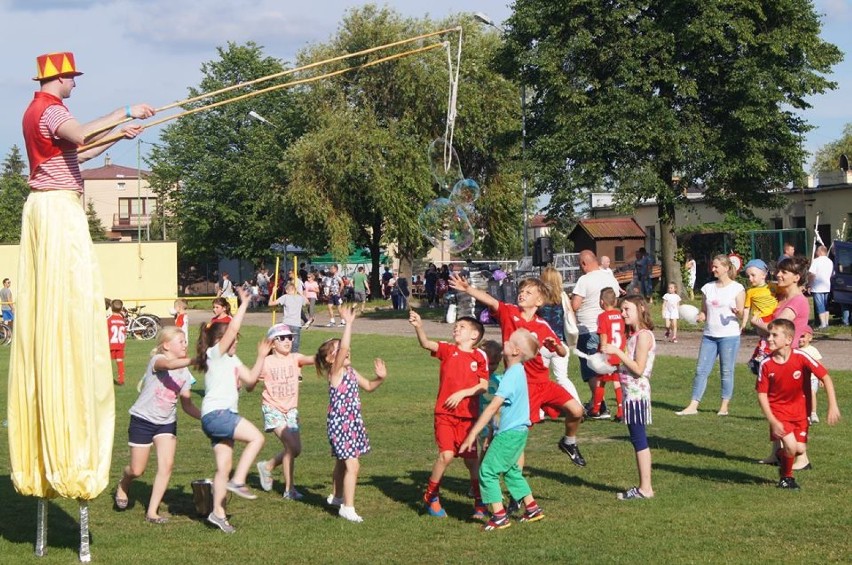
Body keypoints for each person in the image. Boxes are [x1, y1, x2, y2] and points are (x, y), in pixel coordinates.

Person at [9, 51, 154, 508]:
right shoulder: (50, 110)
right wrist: (124, 111)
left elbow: (80, 149)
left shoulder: (43, 112)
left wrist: (118, 133)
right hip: (56, 208)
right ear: (59, 78)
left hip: (50, 204)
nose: (75, 83)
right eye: (71, 77)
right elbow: (78, 132)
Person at [449, 274, 587, 466]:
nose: (522, 294)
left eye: (528, 292)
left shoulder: (542, 325)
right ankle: (506, 487)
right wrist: (468, 289)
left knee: (577, 410)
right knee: (515, 436)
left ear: (539, 301)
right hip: (522, 386)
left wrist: (556, 347)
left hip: (543, 382)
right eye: (521, 291)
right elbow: (490, 300)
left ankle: (568, 442)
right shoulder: (509, 312)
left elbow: (563, 352)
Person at [195, 287, 266, 533]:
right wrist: (243, 303)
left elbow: (250, 382)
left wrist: (261, 356)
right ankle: (238, 481)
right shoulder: (214, 354)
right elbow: (233, 329)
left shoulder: (233, 361)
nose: (236, 341)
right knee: (257, 438)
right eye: (233, 339)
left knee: (223, 467)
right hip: (218, 414)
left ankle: (218, 514)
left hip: (216, 418)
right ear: (220, 341)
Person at [459, 328, 545, 531]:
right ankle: (532, 508)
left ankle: (499, 516)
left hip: (510, 433)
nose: (504, 341)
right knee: (512, 471)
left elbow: (492, 407)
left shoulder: (510, 376)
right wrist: (491, 433)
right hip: (518, 432)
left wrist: (473, 433)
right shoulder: (517, 371)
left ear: (515, 351)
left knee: (487, 470)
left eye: (509, 341)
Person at [114, 327, 201, 523]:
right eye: (181, 341)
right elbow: (168, 365)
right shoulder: (157, 361)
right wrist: (196, 360)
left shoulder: (186, 374)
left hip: (166, 423)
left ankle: (152, 512)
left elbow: (187, 405)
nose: (185, 344)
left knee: (167, 466)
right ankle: (124, 482)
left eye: (186, 341)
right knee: (137, 470)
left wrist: (207, 417)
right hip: (142, 420)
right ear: (166, 345)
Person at [409, 310, 488, 520]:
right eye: (456, 326)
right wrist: (418, 326)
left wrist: (463, 393)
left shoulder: (479, 356)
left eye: (462, 327)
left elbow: (483, 385)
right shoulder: (448, 349)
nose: (456, 328)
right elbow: (426, 343)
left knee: (471, 462)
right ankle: (431, 496)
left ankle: (480, 502)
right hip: (444, 414)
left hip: (468, 417)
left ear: (474, 335)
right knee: (446, 455)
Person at [315, 306, 388, 522]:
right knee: (353, 465)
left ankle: (337, 497)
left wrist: (380, 378)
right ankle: (348, 507)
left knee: (341, 462)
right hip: (341, 424)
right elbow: (345, 345)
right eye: (337, 351)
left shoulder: (350, 371)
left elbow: (368, 386)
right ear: (330, 360)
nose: (346, 352)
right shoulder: (335, 372)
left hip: (353, 422)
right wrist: (348, 323)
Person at [756, 319, 840, 490]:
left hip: (801, 413)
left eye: (774, 335)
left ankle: (782, 455)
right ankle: (786, 478)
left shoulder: (801, 357)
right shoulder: (766, 364)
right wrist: (772, 420)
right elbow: (762, 394)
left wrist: (833, 405)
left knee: (799, 449)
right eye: (768, 335)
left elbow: (826, 377)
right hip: (779, 413)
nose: (769, 339)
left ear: (788, 340)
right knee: (792, 446)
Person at [751, 256, 814, 468]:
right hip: (777, 360)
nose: (778, 275)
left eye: (784, 272)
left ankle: (801, 457)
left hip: (790, 361)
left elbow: (777, 328)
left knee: (790, 409)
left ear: (796, 277)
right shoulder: (782, 298)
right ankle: (776, 452)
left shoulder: (797, 300)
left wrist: (757, 323)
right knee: (775, 406)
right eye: (778, 271)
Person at [602, 295, 656, 500]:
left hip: (637, 394)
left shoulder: (643, 336)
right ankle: (644, 487)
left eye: (626, 309)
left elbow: (639, 369)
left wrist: (617, 352)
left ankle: (645, 488)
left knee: (639, 439)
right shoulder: (635, 335)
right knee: (637, 438)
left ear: (640, 308)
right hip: (630, 394)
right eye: (621, 310)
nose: (622, 314)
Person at [676, 254, 745, 417]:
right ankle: (693, 405)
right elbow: (704, 312)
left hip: (729, 336)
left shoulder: (737, 288)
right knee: (701, 370)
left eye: (716, 266)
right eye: (712, 266)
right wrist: (700, 316)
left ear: (726, 268)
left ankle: (724, 406)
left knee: (726, 371)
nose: (713, 269)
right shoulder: (708, 288)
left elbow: (742, 314)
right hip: (709, 335)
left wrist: (738, 312)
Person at [255, 324, 316, 500]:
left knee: (295, 450)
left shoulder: (295, 358)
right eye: (282, 338)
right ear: (272, 343)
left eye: (290, 337)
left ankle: (267, 466)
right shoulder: (266, 362)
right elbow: (251, 379)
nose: (288, 341)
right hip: (273, 408)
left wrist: (331, 353)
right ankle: (290, 490)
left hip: (291, 410)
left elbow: (313, 359)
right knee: (292, 447)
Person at [572, 250, 622, 409]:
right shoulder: (610, 277)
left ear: (584, 264)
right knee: (607, 371)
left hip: (589, 329)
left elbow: (575, 305)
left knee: (591, 369)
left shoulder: (584, 280)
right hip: (609, 331)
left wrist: (568, 299)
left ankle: (599, 405)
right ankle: (601, 403)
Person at [537, 267, 582, 412]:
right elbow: (570, 317)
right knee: (562, 378)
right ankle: (577, 406)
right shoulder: (562, 296)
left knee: (539, 378)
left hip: (541, 343)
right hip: (559, 342)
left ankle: (539, 410)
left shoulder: (539, 297)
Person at [588, 288, 625, 420]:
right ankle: (621, 409)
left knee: (600, 381)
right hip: (619, 352)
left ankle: (597, 409)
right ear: (615, 301)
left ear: (601, 302)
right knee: (617, 381)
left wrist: (603, 351)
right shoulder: (621, 315)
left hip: (608, 353)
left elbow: (603, 334)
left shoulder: (602, 317)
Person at [741, 258, 778, 374]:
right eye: (748, 276)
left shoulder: (772, 287)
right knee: (765, 338)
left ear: (763, 275)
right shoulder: (750, 292)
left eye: (753, 275)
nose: (750, 279)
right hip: (761, 318)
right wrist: (743, 325)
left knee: (776, 338)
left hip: (775, 316)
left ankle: (768, 357)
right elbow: (747, 308)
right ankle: (759, 358)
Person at [269, 283, 306, 354]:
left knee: (284, 345)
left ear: (286, 290)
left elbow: (270, 303)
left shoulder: (285, 297)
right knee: (295, 347)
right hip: (296, 324)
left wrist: (273, 292)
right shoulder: (299, 298)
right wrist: (300, 293)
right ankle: (294, 361)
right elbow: (307, 302)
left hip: (286, 324)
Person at [797, 326, 823, 424]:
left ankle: (813, 413)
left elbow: (819, 365)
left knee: (811, 393)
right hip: (798, 379)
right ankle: (805, 416)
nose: (800, 339)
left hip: (812, 379)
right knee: (800, 398)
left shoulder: (813, 350)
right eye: (798, 336)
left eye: (803, 336)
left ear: (810, 338)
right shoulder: (795, 350)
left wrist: (821, 378)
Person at [808, 245, 833, 329]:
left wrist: (809, 285)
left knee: (820, 305)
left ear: (821, 251)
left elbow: (812, 274)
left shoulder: (816, 261)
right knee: (826, 305)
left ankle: (823, 324)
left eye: (817, 251)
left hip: (817, 286)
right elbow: (832, 274)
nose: (816, 253)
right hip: (827, 286)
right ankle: (826, 323)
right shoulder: (830, 261)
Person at [107, 299, 128, 386]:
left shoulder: (109, 319)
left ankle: (107, 378)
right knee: (119, 361)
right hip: (120, 344)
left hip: (111, 343)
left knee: (108, 362)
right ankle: (121, 379)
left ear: (111, 308)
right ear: (121, 308)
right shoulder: (122, 320)